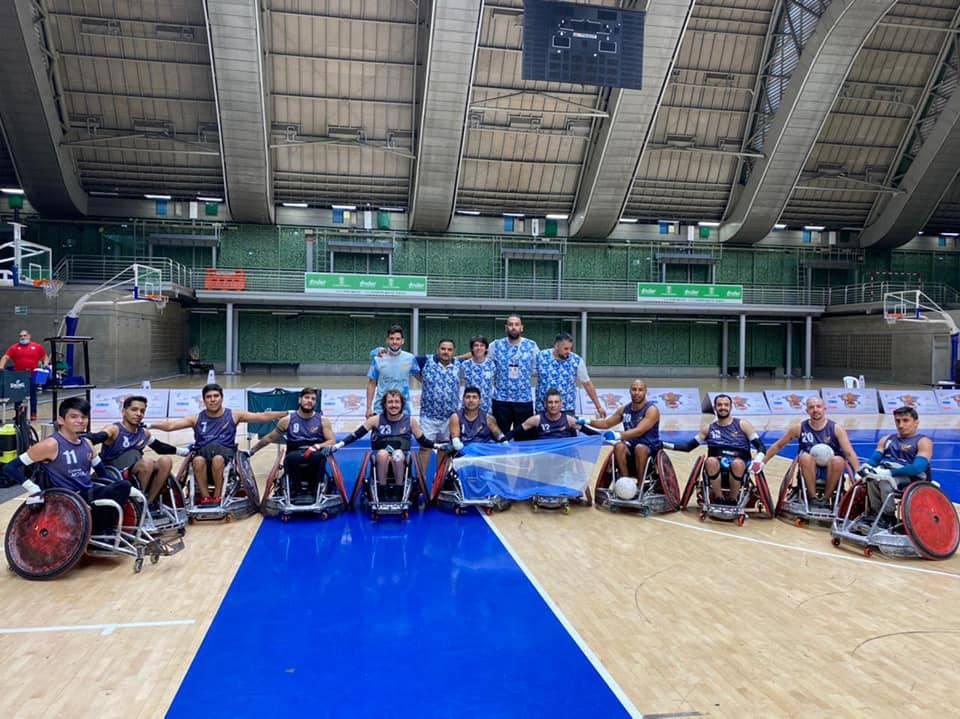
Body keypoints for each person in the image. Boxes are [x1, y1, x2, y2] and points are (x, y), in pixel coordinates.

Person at [2, 397, 131, 534]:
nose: (80, 421)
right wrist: (34, 488)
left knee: (123, 486)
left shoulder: (87, 444)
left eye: (84, 417)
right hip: (67, 498)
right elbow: (9, 467)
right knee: (122, 487)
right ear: (61, 420)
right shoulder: (50, 445)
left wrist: (129, 488)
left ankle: (101, 528)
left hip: (87, 493)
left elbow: (104, 474)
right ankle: (98, 530)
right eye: (74, 417)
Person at [149, 383, 286, 505]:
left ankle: (217, 496)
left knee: (218, 459)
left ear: (222, 398)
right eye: (209, 397)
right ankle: (205, 497)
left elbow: (261, 417)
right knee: (197, 460)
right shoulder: (196, 418)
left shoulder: (233, 415)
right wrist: (148, 425)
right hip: (203, 455)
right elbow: (171, 425)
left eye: (216, 396)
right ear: (204, 400)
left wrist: (286, 413)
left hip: (225, 457)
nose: (213, 399)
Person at [83, 395, 188, 513]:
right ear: (123, 411)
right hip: (115, 474)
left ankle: (148, 503)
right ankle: (138, 503)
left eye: (142, 411)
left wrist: (184, 452)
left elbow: (160, 447)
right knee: (147, 463)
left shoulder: (144, 433)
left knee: (166, 461)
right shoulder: (114, 429)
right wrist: (82, 437)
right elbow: (97, 437)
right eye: (134, 410)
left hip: (137, 472)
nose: (138, 413)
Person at [755, 396, 859, 506]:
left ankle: (825, 499)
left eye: (818, 407)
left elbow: (849, 452)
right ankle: (812, 498)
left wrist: (858, 472)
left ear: (824, 409)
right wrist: (762, 462)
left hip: (832, 469)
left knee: (838, 460)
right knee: (804, 457)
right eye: (811, 407)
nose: (815, 410)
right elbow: (778, 446)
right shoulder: (799, 428)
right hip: (808, 468)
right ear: (807, 411)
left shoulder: (836, 428)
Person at [322, 389, 434, 488]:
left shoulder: (410, 421)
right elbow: (355, 435)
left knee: (398, 454)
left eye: (396, 402)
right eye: (390, 402)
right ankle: (382, 487)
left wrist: (439, 446)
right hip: (380, 456)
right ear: (384, 404)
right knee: (382, 454)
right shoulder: (375, 420)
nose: (393, 405)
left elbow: (423, 441)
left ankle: (399, 488)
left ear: (402, 404)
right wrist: (337, 445)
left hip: (402, 457)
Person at [665, 394, 765, 504]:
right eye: (720, 405)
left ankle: (733, 499)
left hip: (740, 464)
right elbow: (688, 447)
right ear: (715, 407)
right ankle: (718, 498)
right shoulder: (708, 429)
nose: (723, 407)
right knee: (711, 461)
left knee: (737, 464)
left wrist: (758, 460)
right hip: (717, 465)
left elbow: (761, 446)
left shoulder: (743, 424)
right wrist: (663, 444)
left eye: (726, 405)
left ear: (731, 407)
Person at [249, 387, 335, 502]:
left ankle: (314, 490)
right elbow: (270, 437)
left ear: (316, 402)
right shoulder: (287, 420)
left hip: (315, 451)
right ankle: (296, 489)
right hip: (294, 451)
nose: (309, 401)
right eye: (306, 397)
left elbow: (332, 441)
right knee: (291, 459)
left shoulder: (323, 420)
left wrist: (317, 446)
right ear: (300, 400)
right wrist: (252, 450)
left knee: (318, 457)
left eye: (313, 399)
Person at [859, 406, 933, 527]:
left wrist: (889, 473)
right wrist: (867, 466)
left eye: (905, 420)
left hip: (913, 478)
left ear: (916, 422)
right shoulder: (886, 439)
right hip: (888, 473)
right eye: (897, 421)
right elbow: (875, 458)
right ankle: (876, 513)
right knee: (871, 479)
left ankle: (888, 517)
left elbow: (917, 468)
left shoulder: (923, 441)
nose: (901, 425)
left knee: (885, 482)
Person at [587, 379, 660, 479]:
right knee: (619, 446)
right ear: (630, 391)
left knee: (640, 448)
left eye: (640, 390)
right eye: (634, 389)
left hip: (649, 449)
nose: (637, 392)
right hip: (631, 448)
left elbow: (639, 431)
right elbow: (606, 423)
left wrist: (618, 435)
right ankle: (625, 482)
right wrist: (587, 421)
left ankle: (640, 484)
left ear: (645, 392)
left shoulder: (651, 410)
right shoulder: (625, 409)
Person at [414, 338, 462, 471]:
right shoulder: (425, 361)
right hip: (428, 417)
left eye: (449, 349)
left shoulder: (459, 364)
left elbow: (475, 354)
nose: (446, 352)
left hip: (449, 418)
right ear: (437, 349)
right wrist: (384, 352)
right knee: (425, 449)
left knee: (444, 449)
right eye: (443, 349)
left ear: (454, 352)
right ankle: (421, 481)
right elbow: (406, 358)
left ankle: (439, 483)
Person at [489, 314, 539, 435]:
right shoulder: (495, 345)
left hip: (523, 400)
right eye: (510, 324)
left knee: (525, 439)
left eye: (516, 324)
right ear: (506, 327)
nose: (513, 327)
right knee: (499, 438)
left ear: (522, 328)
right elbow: (482, 357)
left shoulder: (531, 345)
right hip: (501, 400)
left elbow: (538, 368)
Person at [535, 332, 606, 418]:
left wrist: (598, 406)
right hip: (543, 408)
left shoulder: (576, 360)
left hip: (566, 409)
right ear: (557, 346)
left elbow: (587, 384)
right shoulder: (540, 356)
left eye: (570, 348)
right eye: (566, 348)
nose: (569, 351)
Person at [366, 325, 419, 417]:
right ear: (387, 340)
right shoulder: (378, 359)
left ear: (402, 341)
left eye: (398, 339)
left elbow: (420, 376)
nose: (394, 342)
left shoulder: (410, 358)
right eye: (392, 338)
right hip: (381, 409)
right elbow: (371, 383)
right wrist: (368, 408)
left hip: (403, 409)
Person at [0, 329, 49, 421]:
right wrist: (1, 367)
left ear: (29, 336)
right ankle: (18, 413)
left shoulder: (37, 347)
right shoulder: (14, 348)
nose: (23, 337)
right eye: (21, 336)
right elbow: (6, 357)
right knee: (17, 394)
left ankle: (33, 413)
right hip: (18, 376)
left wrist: (45, 365)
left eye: (24, 335)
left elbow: (45, 357)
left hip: (32, 375)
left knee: (32, 394)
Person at [449, 386, 507, 450]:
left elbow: (501, 437)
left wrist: (505, 443)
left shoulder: (488, 418)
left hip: (485, 454)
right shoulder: (455, 417)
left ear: (480, 401)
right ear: (463, 400)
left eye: (474, 397)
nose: (471, 400)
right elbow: (456, 442)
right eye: (468, 397)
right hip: (464, 454)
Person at [518, 388, 583, 439]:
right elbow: (513, 433)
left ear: (561, 404)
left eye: (556, 402)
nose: (553, 405)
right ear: (545, 404)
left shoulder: (569, 420)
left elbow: (590, 432)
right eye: (550, 402)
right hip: (544, 454)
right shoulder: (537, 419)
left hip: (564, 455)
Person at [459, 335, 496, 414]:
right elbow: (461, 386)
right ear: (472, 348)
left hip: (487, 408)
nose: (479, 348)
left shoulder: (492, 364)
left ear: (486, 348)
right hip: (469, 407)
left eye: (482, 345)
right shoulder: (465, 365)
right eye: (476, 345)